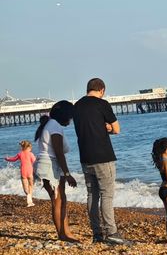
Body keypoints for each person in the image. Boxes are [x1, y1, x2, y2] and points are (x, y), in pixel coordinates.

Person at [73, 77, 127, 245]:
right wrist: (108, 129)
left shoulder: (77, 107)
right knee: (107, 195)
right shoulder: (102, 104)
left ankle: (96, 234)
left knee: (92, 195)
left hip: (85, 157)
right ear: (102, 90)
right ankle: (111, 232)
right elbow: (117, 129)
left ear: (88, 89)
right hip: (103, 157)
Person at [34, 101, 79, 241]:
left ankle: (66, 232)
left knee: (62, 199)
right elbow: (59, 152)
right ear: (64, 115)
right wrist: (67, 174)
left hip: (49, 164)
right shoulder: (54, 125)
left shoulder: (51, 124)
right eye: (70, 117)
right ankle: (62, 234)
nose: (71, 120)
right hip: (50, 164)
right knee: (57, 201)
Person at [5, 140, 36, 206]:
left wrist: (7, 158)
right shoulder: (31, 154)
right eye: (31, 148)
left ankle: (28, 196)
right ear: (28, 147)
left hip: (23, 172)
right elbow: (35, 162)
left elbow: (13, 159)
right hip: (30, 172)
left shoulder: (20, 154)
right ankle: (30, 200)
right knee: (31, 185)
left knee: (25, 188)